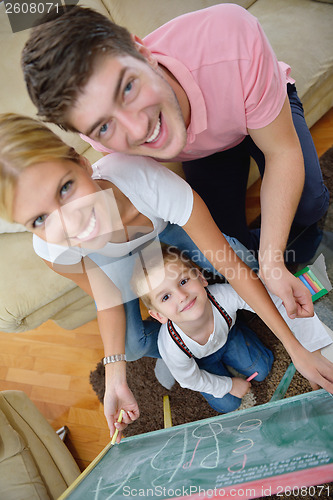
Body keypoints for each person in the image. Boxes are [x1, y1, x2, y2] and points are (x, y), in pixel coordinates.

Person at [1, 114, 332, 440]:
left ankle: (219, 316)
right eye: (40, 218)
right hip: (117, 261)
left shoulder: (145, 181)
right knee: (129, 346)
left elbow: (230, 265)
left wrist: (297, 347)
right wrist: (116, 376)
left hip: (165, 229)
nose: (68, 223)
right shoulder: (53, 249)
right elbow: (107, 301)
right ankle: (192, 338)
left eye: (65, 188)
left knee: (241, 258)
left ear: (81, 162)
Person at [21, 3, 330, 322]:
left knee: (308, 204)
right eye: (104, 125)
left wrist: (274, 261)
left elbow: (282, 152)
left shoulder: (232, 37)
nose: (138, 129)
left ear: (142, 51)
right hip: (205, 152)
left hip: (256, 108)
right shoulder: (98, 134)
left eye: (128, 88)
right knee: (228, 242)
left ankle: (302, 248)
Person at [131, 245, 332, 413]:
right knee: (228, 404)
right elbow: (191, 380)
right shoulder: (172, 348)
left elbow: (264, 301)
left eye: (183, 282)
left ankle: (241, 336)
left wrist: (305, 342)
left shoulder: (223, 296)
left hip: (229, 336)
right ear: (159, 316)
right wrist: (229, 385)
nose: (182, 296)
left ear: (201, 278)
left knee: (262, 368)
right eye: (166, 297)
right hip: (200, 361)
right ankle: (182, 368)